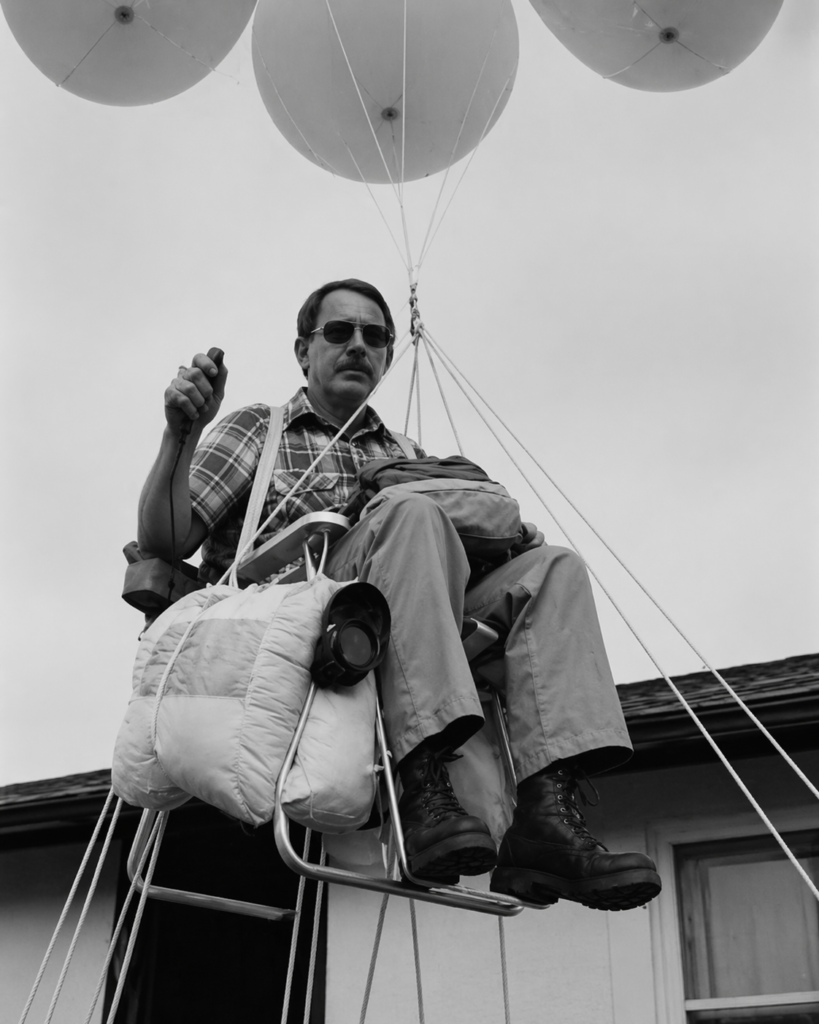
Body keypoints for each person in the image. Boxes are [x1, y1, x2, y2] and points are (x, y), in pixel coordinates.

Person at [137, 278, 661, 911]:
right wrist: (180, 435)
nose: (358, 345)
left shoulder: (406, 454)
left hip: (405, 621)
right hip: (294, 617)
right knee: (412, 517)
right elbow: (165, 538)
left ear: (387, 354)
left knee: (554, 570)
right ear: (304, 351)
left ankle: (545, 820)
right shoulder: (260, 429)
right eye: (339, 332)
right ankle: (421, 786)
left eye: (375, 336)